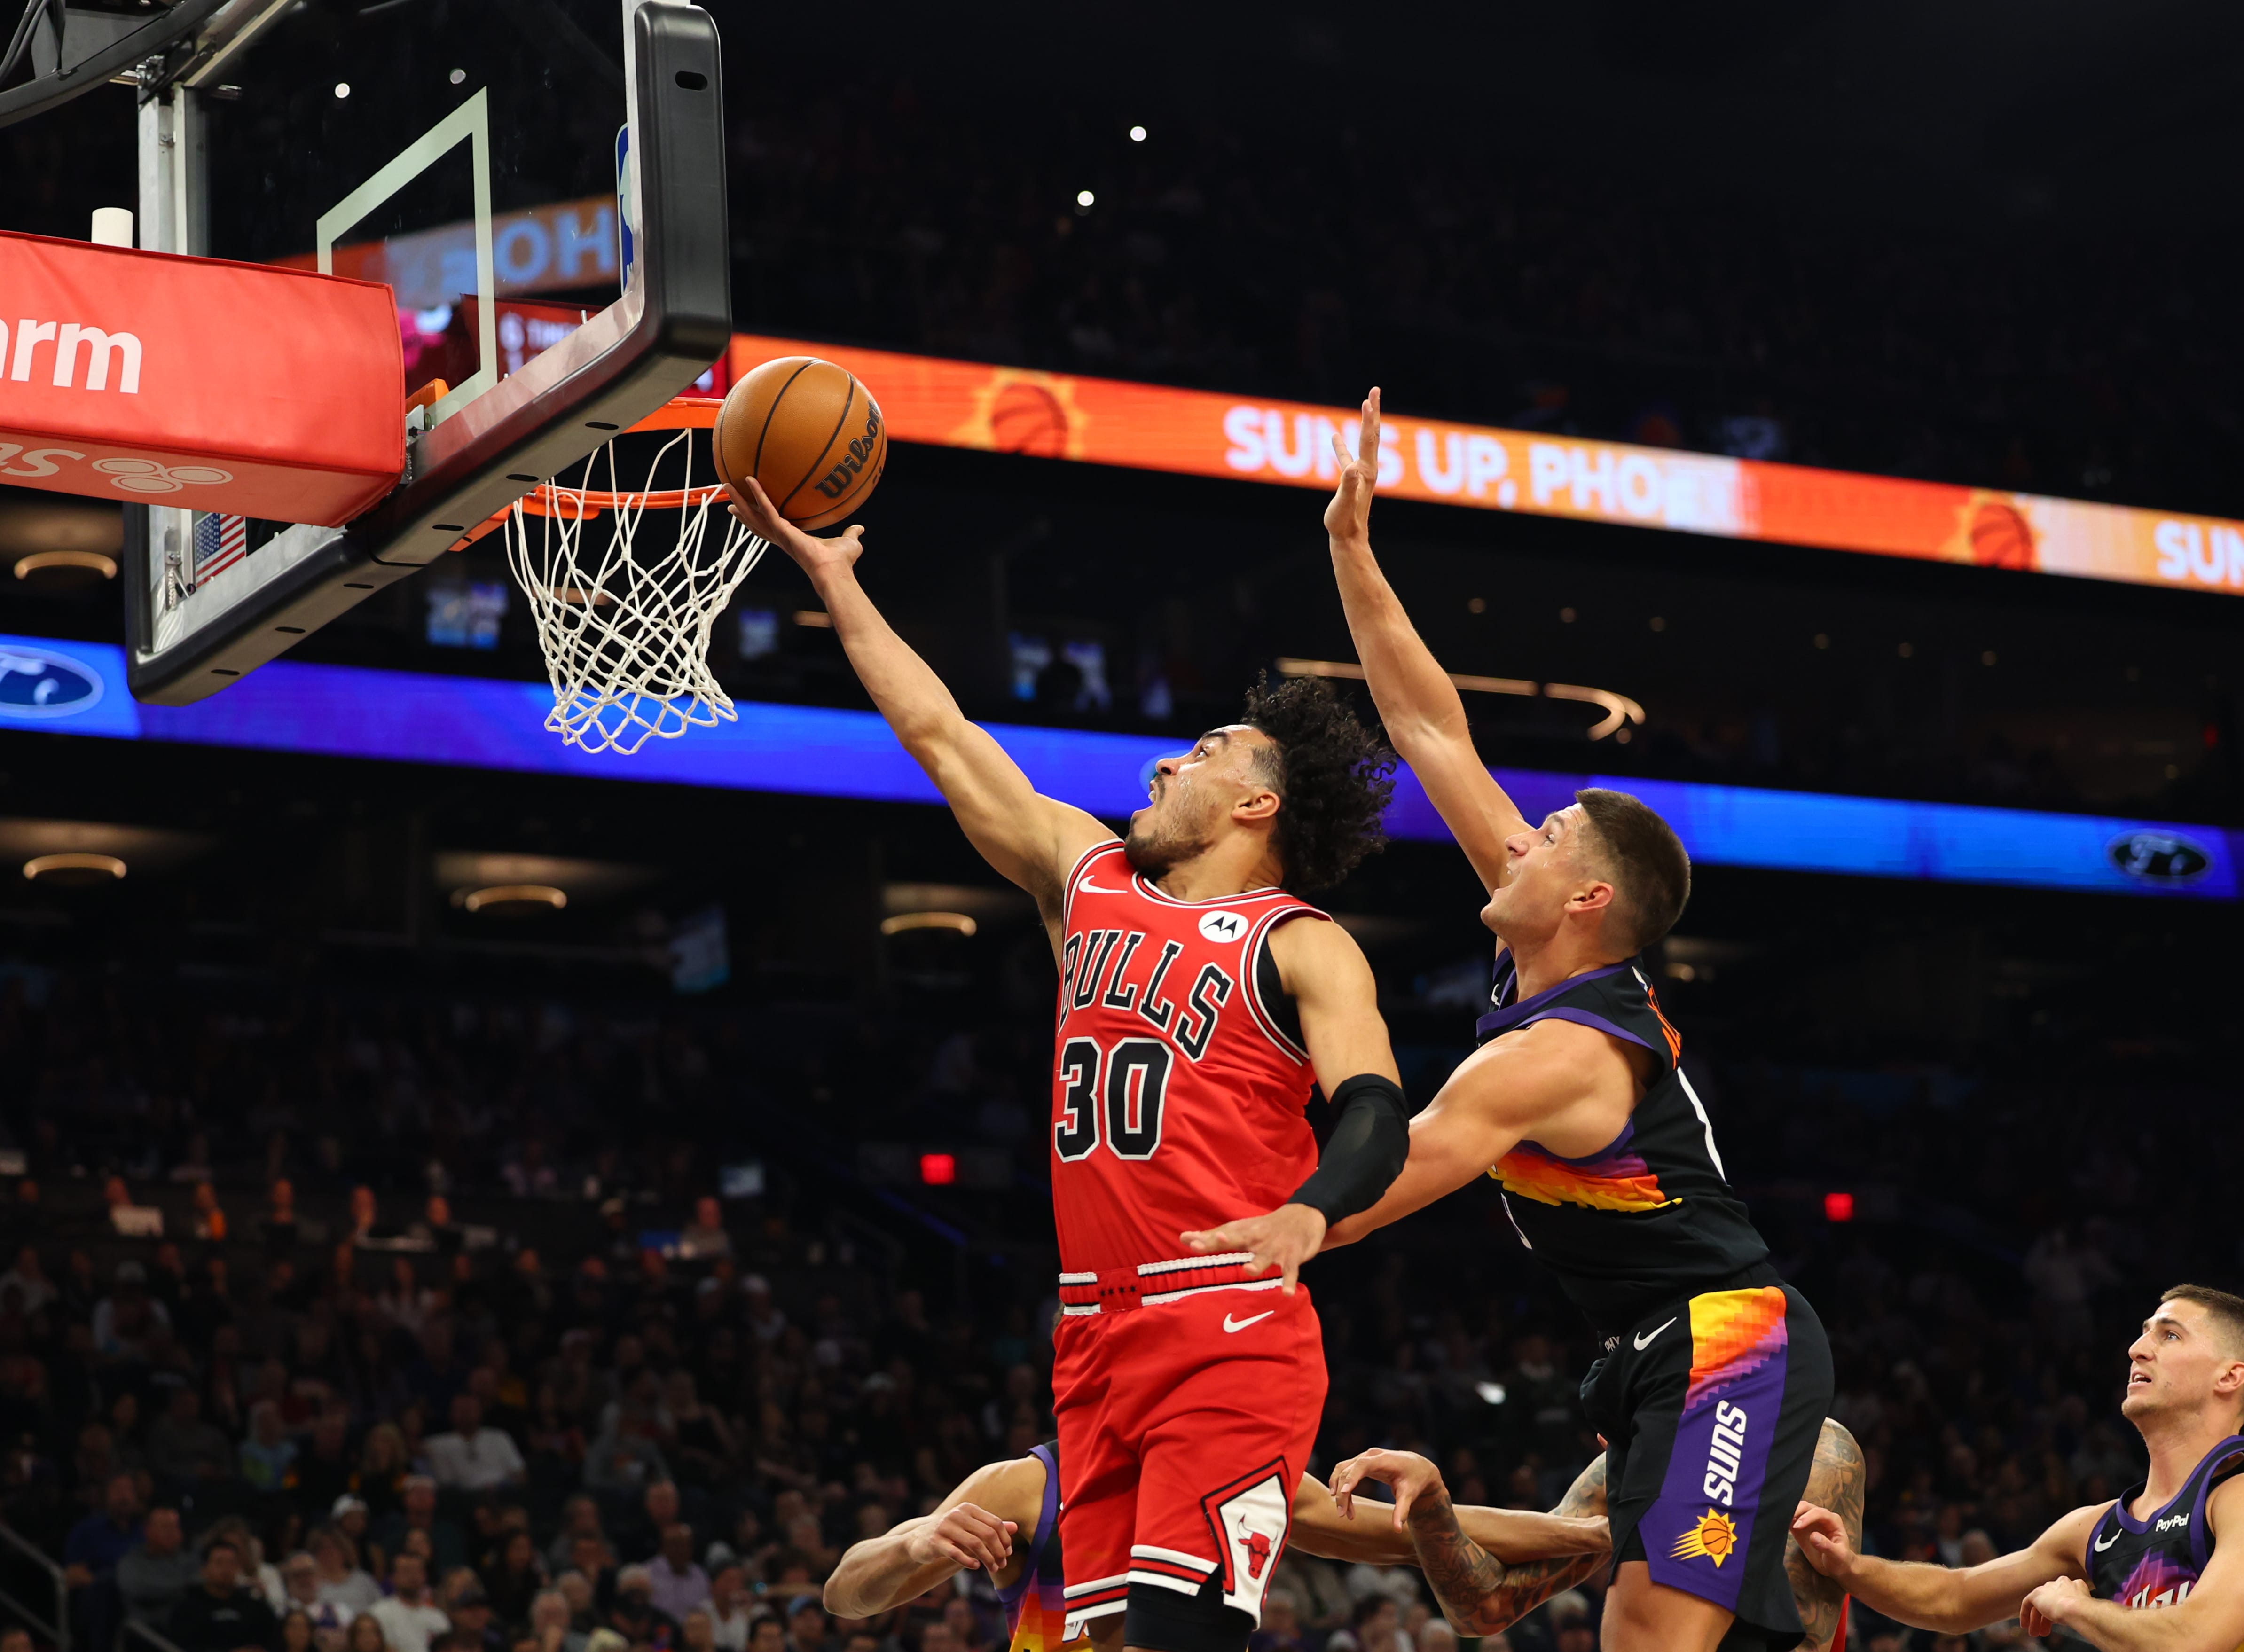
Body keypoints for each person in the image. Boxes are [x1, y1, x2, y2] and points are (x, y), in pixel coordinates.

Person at [730, 454, 1412, 1652]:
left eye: (1204, 752)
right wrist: (838, 583)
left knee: (1175, 1639)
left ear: (1259, 808)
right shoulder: (1086, 877)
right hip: (1093, 1340)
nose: (1166, 763)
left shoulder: (1303, 945)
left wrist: (1310, 1213)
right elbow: (939, 734)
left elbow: (1374, 1110)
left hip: (1229, 1327)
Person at [1197, 390, 1835, 1652]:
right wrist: (1350, 548)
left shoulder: (1559, 1053)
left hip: (1727, 1338)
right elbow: (1429, 724)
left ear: (1586, 895)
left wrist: (1247, 1243)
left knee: (1643, 1637)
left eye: (1544, 835)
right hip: (1649, 1346)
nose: (1515, 832)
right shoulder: (1547, 929)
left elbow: (1402, 1165)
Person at [821, 1440, 1607, 1652]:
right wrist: (911, 1543)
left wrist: (1593, 1534)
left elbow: (1416, 1530)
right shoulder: (1021, 1487)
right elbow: (845, 1595)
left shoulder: (1236, 1473)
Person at [1793, 1285, 2244, 1646]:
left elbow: (2198, 1637)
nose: (2137, 1348)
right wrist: (1849, 1567)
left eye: (2169, 1335)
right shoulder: (2094, 1529)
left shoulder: (2236, 1497)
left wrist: (2077, 1608)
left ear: (2230, 1376)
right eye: (2144, 1332)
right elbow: (1956, 1598)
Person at [1329, 1419, 1867, 1652]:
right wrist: (1430, 1501)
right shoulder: (1626, 1465)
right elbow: (1486, 1606)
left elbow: (1805, 1642)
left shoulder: (1816, 1455)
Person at [170, 1538, 282, 1652]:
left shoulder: (256, 1609)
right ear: (204, 1570)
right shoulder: (187, 1609)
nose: (226, 1569)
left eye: (232, 1563)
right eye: (219, 1562)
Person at [424, 1396, 527, 1495]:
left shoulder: (499, 1437)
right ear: (451, 1413)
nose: (466, 1414)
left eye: (470, 1409)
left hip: (502, 1493)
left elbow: (520, 1473)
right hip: (462, 1498)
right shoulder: (438, 1443)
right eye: (461, 1410)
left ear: (480, 1411)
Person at [119, 1505, 202, 1626]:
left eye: (175, 1527)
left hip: (189, 1628)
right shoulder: (132, 1563)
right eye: (165, 1527)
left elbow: (203, 1582)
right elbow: (138, 1589)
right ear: (148, 1530)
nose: (172, 1533)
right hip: (149, 1632)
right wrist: (185, 1587)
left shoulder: (189, 1560)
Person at [369, 1555, 450, 1652]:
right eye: (406, 1571)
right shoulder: (379, 1613)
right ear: (392, 1577)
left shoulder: (438, 1617)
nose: (413, 1576)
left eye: (418, 1571)